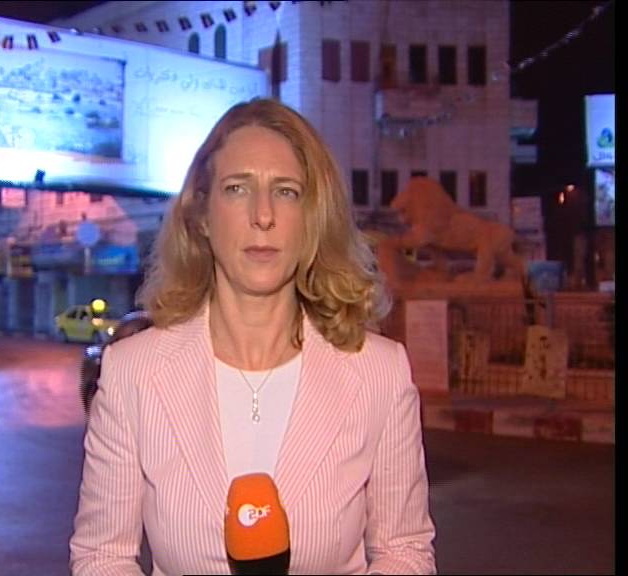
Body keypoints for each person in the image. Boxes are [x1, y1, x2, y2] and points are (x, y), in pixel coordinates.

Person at [70, 98, 436, 575]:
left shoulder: (379, 373)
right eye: (238, 188)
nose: (263, 215)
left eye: (286, 191)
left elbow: (404, 551)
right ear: (202, 216)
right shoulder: (132, 373)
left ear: (312, 217)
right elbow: (102, 556)